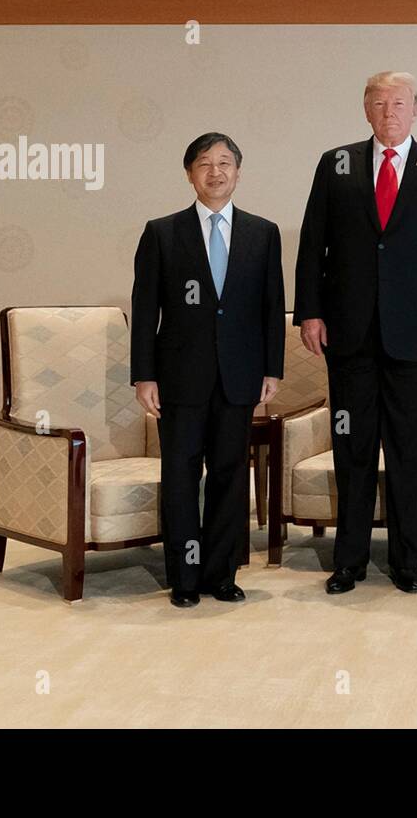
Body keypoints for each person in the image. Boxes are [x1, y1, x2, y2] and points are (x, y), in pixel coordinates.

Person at [294, 71, 417, 595]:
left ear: (415, 109)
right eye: (378, 103)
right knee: (351, 447)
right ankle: (347, 560)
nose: (389, 111)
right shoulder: (337, 163)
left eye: (398, 103)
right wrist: (310, 311)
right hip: (348, 336)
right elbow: (312, 245)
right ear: (365, 110)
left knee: (407, 449)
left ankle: (405, 560)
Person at [131, 132, 285, 608]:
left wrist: (271, 370)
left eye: (224, 163)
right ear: (189, 174)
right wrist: (144, 375)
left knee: (229, 474)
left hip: (239, 376)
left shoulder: (263, 232)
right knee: (180, 475)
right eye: (204, 164)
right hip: (180, 377)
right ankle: (184, 576)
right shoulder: (162, 232)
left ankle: (221, 573)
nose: (215, 172)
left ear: (238, 172)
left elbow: (271, 305)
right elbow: (145, 309)